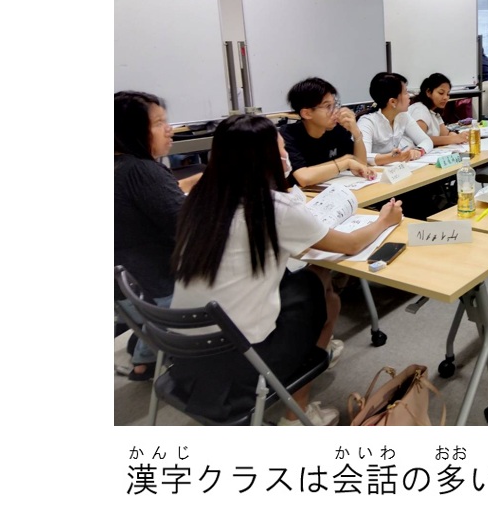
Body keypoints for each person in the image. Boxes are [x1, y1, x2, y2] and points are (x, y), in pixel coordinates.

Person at [169, 114, 403, 425]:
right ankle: (297, 416)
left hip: (184, 355)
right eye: (281, 150)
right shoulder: (271, 207)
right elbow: (350, 245)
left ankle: (314, 358)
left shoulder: (200, 200)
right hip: (241, 359)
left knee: (309, 281)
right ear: (264, 158)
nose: (285, 155)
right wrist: (384, 221)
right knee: (325, 298)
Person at [114, 91, 200, 381]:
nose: (169, 129)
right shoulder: (143, 171)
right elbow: (190, 230)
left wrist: (187, 184)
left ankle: (145, 358)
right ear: (131, 131)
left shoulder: (119, 167)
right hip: (161, 292)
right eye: (159, 123)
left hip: (126, 292)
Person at [280, 76, 374, 188]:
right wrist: (346, 162)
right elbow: (304, 178)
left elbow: (360, 166)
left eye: (335, 105)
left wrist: (356, 133)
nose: (335, 111)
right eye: (328, 106)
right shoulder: (289, 134)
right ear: (307, 113)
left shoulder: (336, 129)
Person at [356, 72, 433, 165]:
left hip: (395, 169)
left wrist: (418, 150)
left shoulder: (403, 116)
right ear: (393, 101)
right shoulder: (367, 122)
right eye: (405, 92)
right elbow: (363, 157)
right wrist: (392, 158)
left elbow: (426, 140)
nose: (409, 96)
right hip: (374, 172)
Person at [407, 72, 469, 147]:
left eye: (448, 94)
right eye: (441, 93)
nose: (445, 97)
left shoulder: (435, 112)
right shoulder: (420, 110)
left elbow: (445, 134)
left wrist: (458, 136)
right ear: (428, 92)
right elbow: (420, 140)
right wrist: (454, 138)